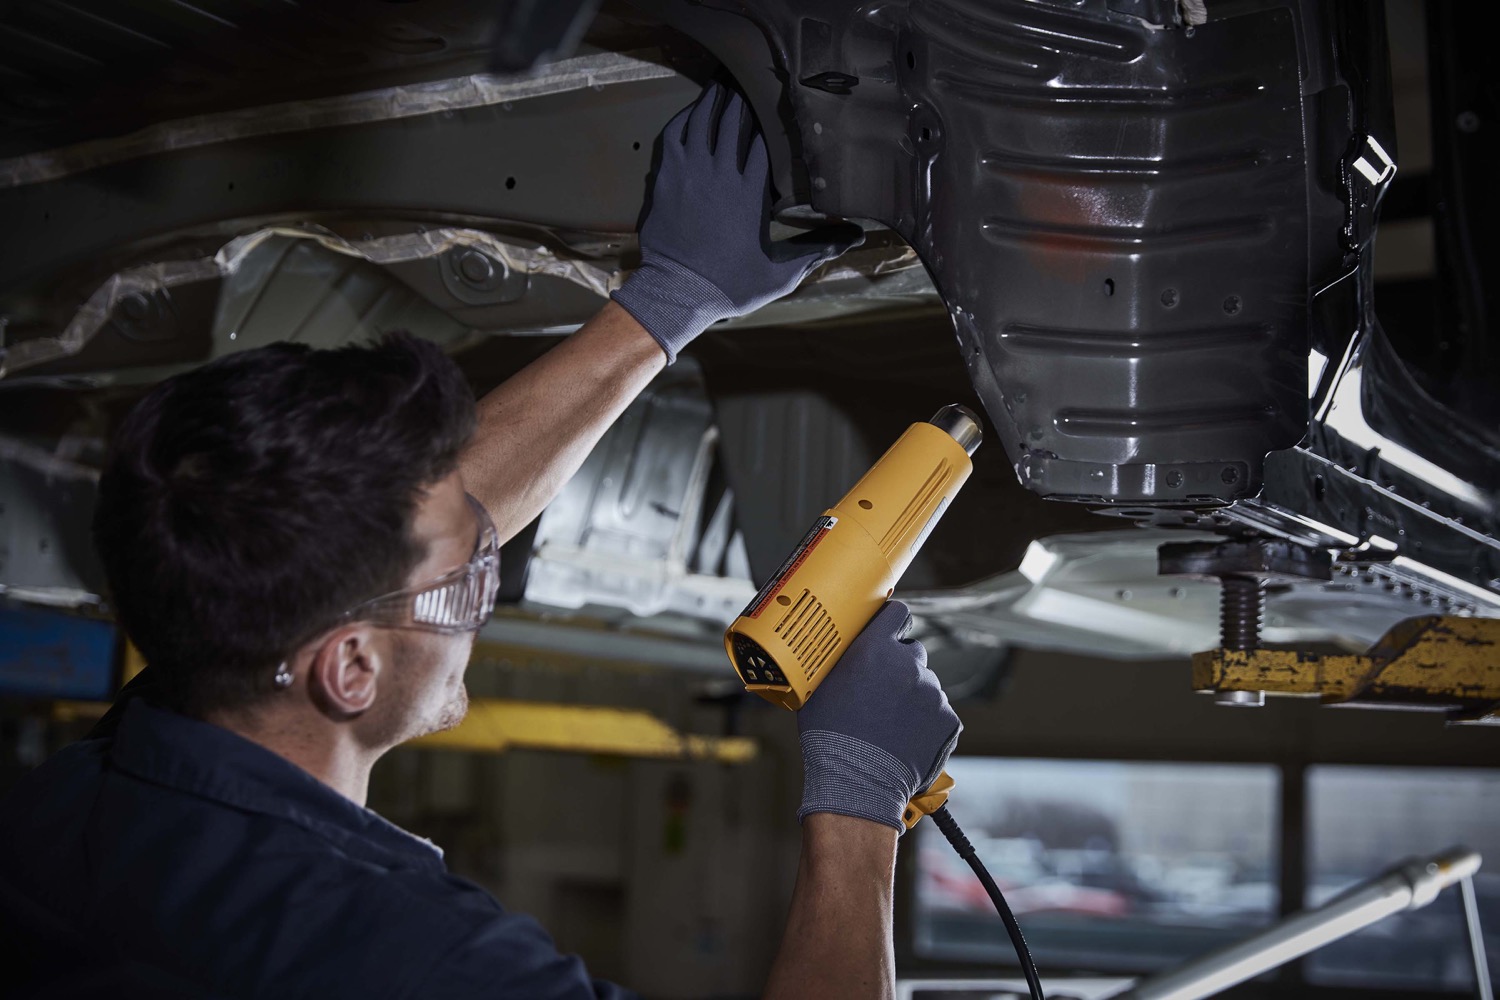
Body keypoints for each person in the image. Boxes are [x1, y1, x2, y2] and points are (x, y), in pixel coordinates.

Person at [0, 84, 961, 1000]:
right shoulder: (410, 962)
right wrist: (858, 804)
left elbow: (440, 514)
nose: (486, 589)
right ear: (348, 671)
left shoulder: (103, 788)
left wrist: (666, 304)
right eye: (466, 585)